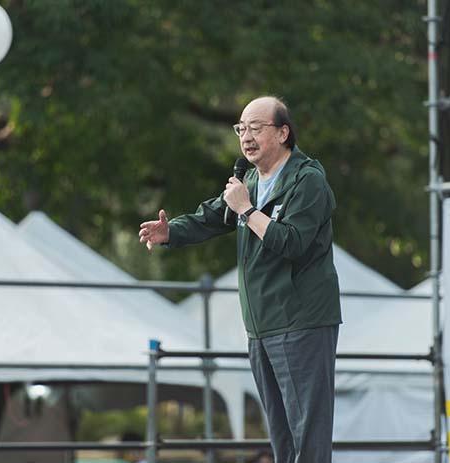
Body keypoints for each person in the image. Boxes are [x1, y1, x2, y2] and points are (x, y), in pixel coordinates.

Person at [139, 96, 341, 463]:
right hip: (261, 326)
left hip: (301, 322)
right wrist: (171, 232)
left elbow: (292, 243)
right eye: (241, 129)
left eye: (256, 128)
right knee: (281, 436)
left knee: (307, 435)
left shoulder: (307, 180)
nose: (246, 137)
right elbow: (213, 216)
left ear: (283, 133)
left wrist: (246, 210)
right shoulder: (249, 179)